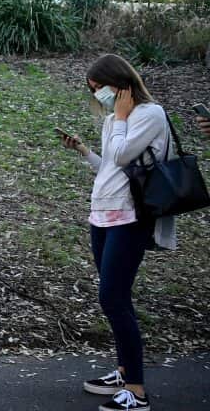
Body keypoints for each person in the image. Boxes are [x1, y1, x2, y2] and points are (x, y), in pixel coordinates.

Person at [57, 54, 171, 411]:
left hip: (130, 217)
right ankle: (124, 371)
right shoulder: (113, 120)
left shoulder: (150, 115)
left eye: (101, 87)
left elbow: (123, 156)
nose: (98, 94)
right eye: (93, 89)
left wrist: (120, 119)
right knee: (113, 298)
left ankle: (136, 391)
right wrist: (85, 151)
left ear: (121, 84)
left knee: (114, 298)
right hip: (103, 214)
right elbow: (110, 165)